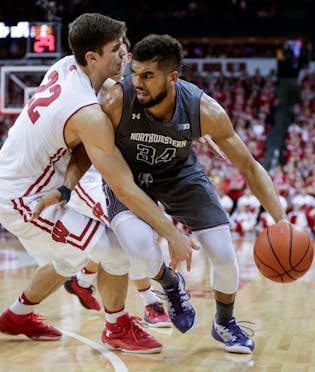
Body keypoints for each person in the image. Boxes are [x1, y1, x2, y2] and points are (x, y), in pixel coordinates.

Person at [0, 14, 195, 353]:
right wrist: (173, 234)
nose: (125, 53)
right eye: (116, 48)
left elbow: (110, 90)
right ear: (92, 57)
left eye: (124, 45)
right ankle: (117, 327)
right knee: (115, 251)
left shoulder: (65, 65)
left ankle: (18, 315)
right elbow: (124, 186)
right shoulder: (87, 113)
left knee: (69, 260)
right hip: (21, 197)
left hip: (20, 178)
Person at [99, 34, 287, 353]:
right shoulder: (117, 100)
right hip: (129, 179)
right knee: (138, 250)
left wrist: (281, 221)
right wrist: (172, 234)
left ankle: (224, 323)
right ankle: (172, 285)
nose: (138, 82)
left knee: (225, 257)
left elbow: (250, 167)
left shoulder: (204, 110)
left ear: (173, 77)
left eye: (148, 76)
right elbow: (114, 174)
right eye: (135, 73)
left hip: (180, 174)